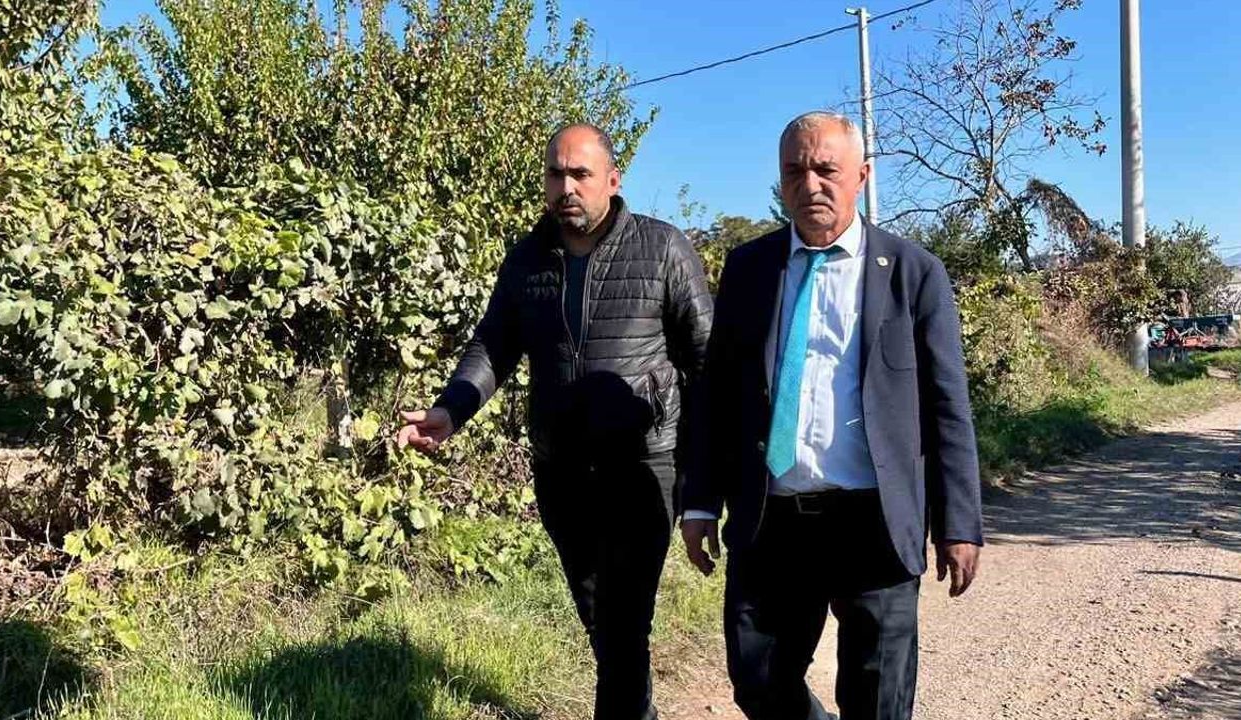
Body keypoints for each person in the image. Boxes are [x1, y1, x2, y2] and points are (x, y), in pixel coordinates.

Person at [396, 123, 713, 720]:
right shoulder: (527, 259)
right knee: (599, 616)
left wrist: (707, 479)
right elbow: (494, 345)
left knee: (623, 620)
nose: (566, 187)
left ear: (612, 180)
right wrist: (451, 409)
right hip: (561, 468)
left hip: (643, 465)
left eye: (580, 174)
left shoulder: (663, 248)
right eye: (556, 174)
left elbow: (706, 360)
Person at [680, 111, 983, 720]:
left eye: (826, 169)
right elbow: (718, 393)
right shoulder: (749, 269)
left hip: (875, 521)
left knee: (878, 698)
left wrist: (959, 523)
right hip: (773, 520)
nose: (810, 184)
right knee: (758, 681)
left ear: (862, 176)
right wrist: (701, 501)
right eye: (794, 171)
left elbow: (947, 405)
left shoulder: (913, 273)